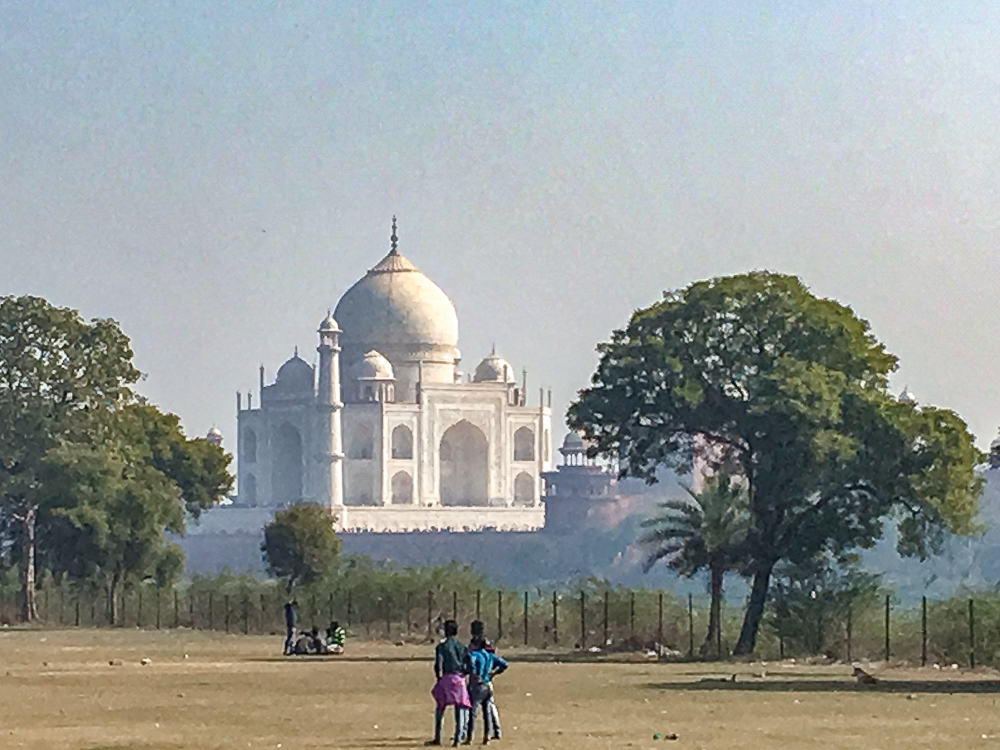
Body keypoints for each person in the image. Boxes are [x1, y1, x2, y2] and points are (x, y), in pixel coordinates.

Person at [428, 620, 471, 747]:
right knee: (460, 708)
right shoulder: (461, 646)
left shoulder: (442, 646)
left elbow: (438, 664)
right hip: (459, 678)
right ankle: (458, 738)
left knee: (440, 707)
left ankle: (437, 737)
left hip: (447, 677)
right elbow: (468, 662)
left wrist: (439, 678)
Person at [466, 623, 506, 744]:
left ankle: (469, 737)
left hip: (477, 684)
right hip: (487, 683)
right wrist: (493, 673)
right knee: (487, 711)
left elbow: (470, 664)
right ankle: (487, 736)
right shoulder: (489, 653)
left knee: (472, 711)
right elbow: (504, 664)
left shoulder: (474, 653)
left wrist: (472, 674)